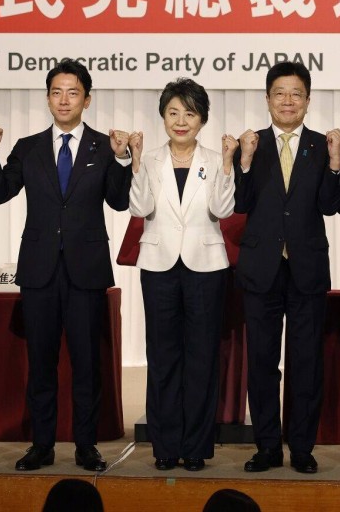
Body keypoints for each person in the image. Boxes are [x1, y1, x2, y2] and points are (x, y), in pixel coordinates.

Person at [0, 59, 132, 472]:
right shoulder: (28, 146)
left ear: (87, 98)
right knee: (41, 364)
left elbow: (120, 201)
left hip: (85, 270)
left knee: (86, 364)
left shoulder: (105, 146)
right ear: (47, 97)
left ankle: (86, 446)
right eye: (56, 92)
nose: (64, 100)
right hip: (39, 270)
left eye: (72, 92)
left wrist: (123, 161)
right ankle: (41, 445)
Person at [233, 61, 340, 475]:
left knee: (306, 362)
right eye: (279, 93)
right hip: (261, 268)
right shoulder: (249, 145)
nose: (288, 101)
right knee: (263, 362)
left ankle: (303, 447)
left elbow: (330, 205)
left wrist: (337, 162)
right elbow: (238, 202)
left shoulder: (322, 145)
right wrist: (246, 161)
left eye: (296, 94)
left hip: (306, 267)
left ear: (308, 100)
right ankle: (268, 446)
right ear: (267, 98)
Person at [127, 78, 237, 472]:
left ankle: (196, 447)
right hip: (158, 267)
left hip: (205, 268)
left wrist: (227, 164)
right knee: (162, 357)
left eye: (189, 113)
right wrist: (136, 160)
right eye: (173, 112)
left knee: (202, 358)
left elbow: (223, 211)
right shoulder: (151, 159)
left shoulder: (214, 158)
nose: (180, 121)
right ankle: (165, 445)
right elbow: (139, 206)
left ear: (202, 119)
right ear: (162, 116)